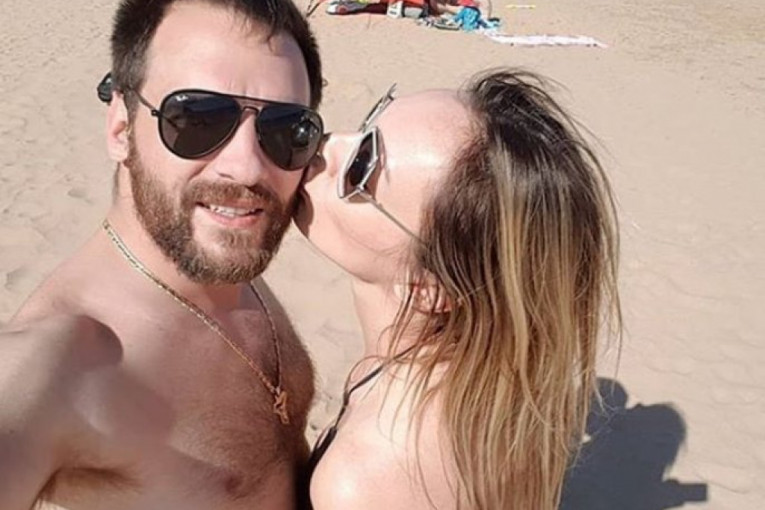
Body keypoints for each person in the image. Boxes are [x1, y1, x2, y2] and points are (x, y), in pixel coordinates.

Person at [0, 1, 324, 509]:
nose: (247, 168)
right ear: (121, 129)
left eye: (288, 130)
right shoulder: (55, 365)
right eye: (197, 119)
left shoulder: (222, 259)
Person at [294, 69, 621, 509]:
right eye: (367, 125)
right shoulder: (499, 386)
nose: (326, 143)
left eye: (360, 171)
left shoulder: (362, 480)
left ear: (429, 288)